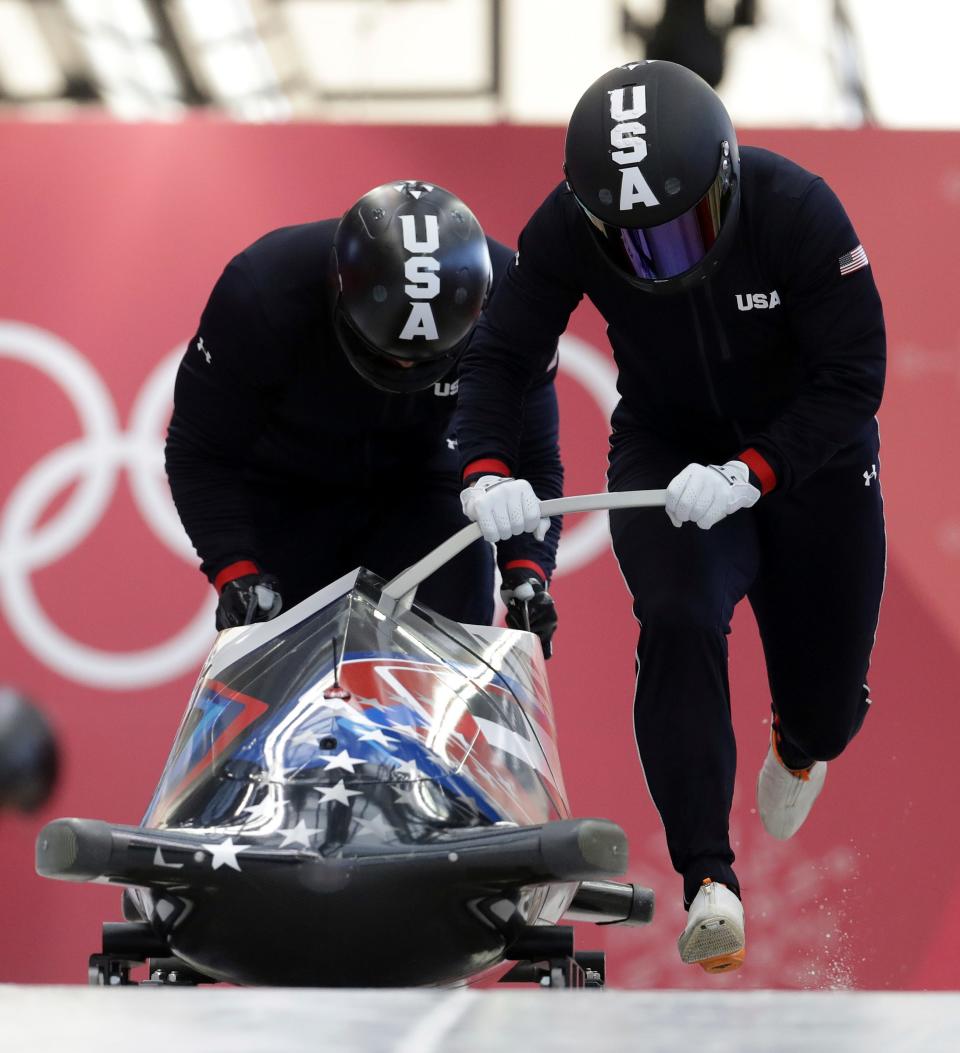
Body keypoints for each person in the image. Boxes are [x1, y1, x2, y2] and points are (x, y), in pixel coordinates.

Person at [452, 61, 885, 972]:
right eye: (635, 242)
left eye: (683, 232)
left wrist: (757, 468)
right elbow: (502, 354)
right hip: (671, 453)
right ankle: (710, 880)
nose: (664, 260)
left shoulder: (799, 208)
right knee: (681, 615)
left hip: (813, 461)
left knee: (830, 710)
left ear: (724, 181)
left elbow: (854, 375)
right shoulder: (566, 225)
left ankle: (804, 740)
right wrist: (486, 470)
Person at [165, 180, 560, 653]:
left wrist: (527, 571)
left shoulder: (515, 302)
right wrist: (235, 570)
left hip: (424, 484)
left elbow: (531, 455)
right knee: (285, 671)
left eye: (422, 360)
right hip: (287, 488)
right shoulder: (262, 290)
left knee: (444, 659)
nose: (405, 368)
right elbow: (201, 449)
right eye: (388, 356)